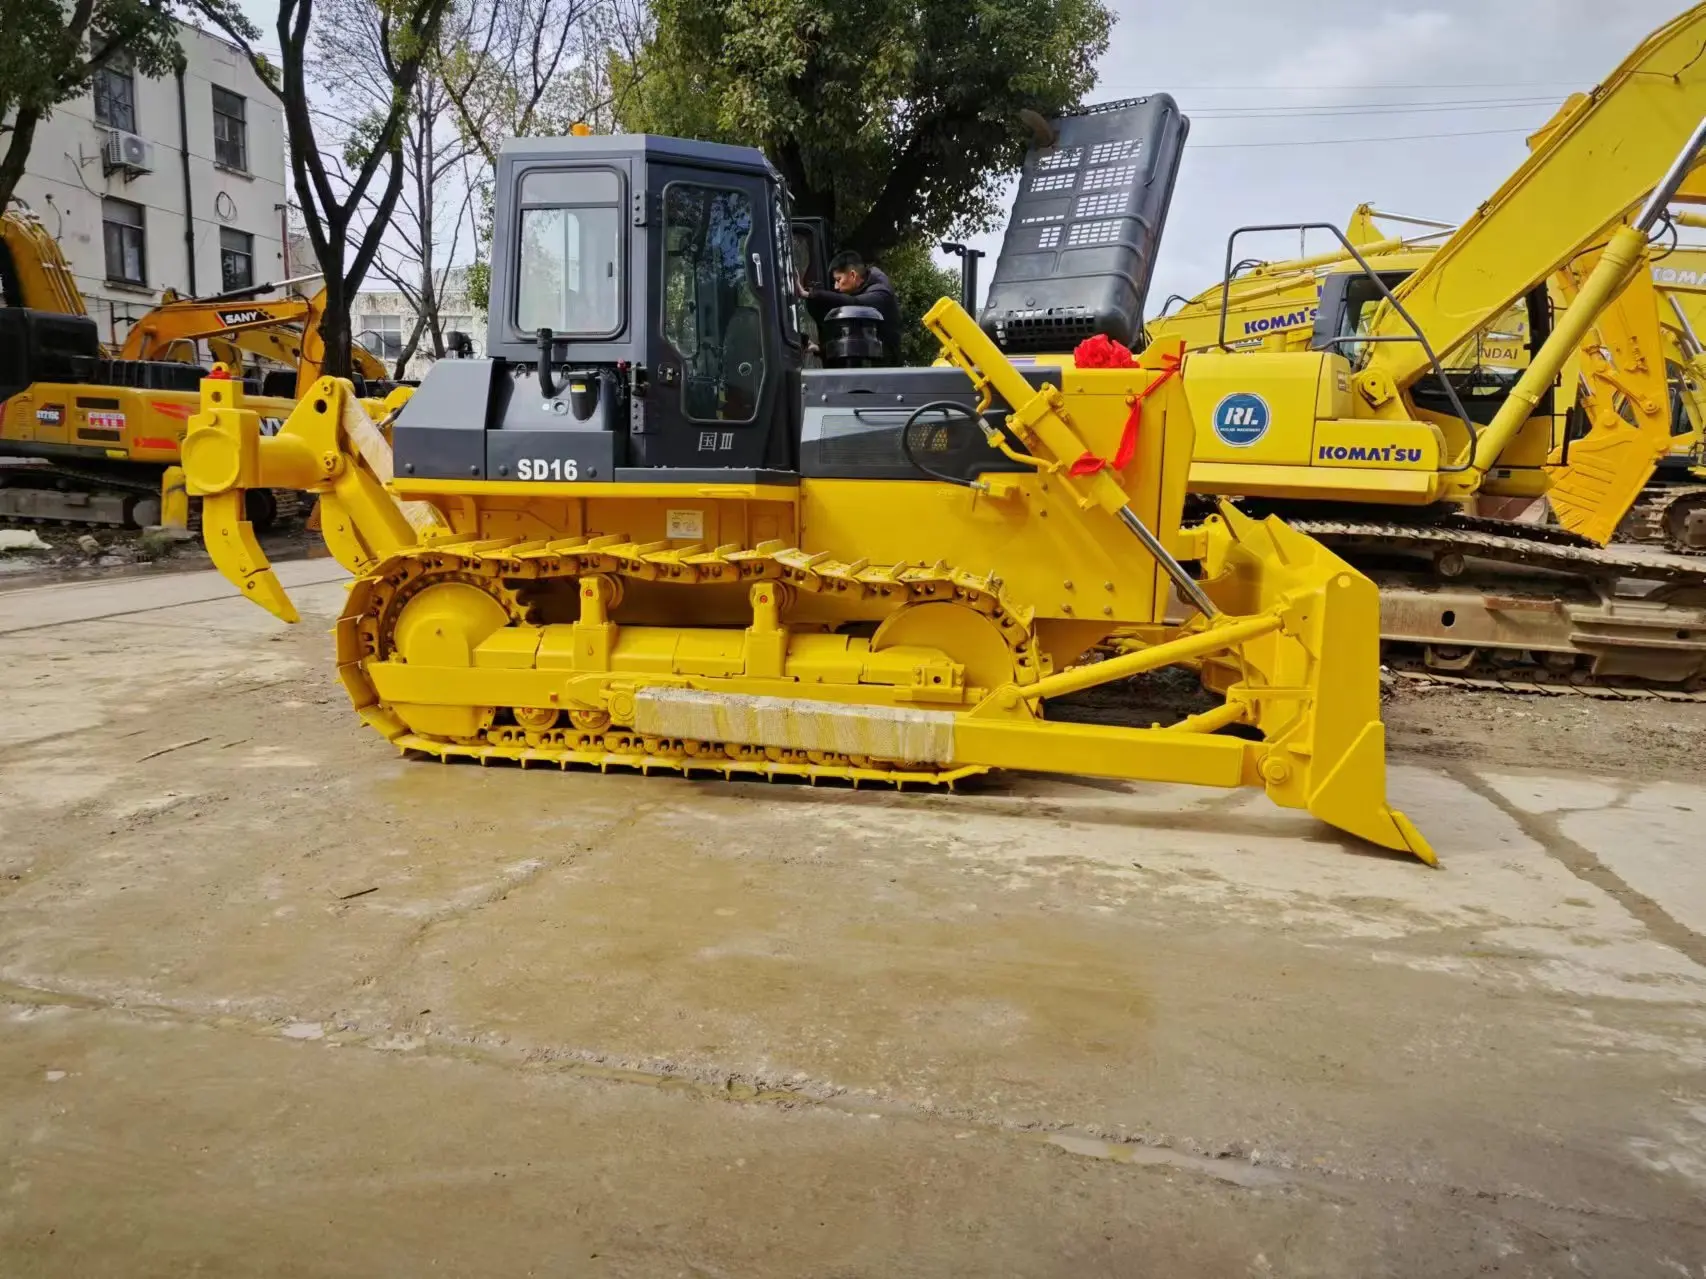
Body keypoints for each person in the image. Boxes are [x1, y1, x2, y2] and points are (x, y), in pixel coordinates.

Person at [799, 250, 901, 364]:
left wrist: (808, 294)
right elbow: (853, 340)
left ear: (853, 275)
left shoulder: (880, 292)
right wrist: (819, 349)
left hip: (885, 369)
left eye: (838, 280)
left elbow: (855, 302)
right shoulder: (863, 286)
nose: (836, 287)